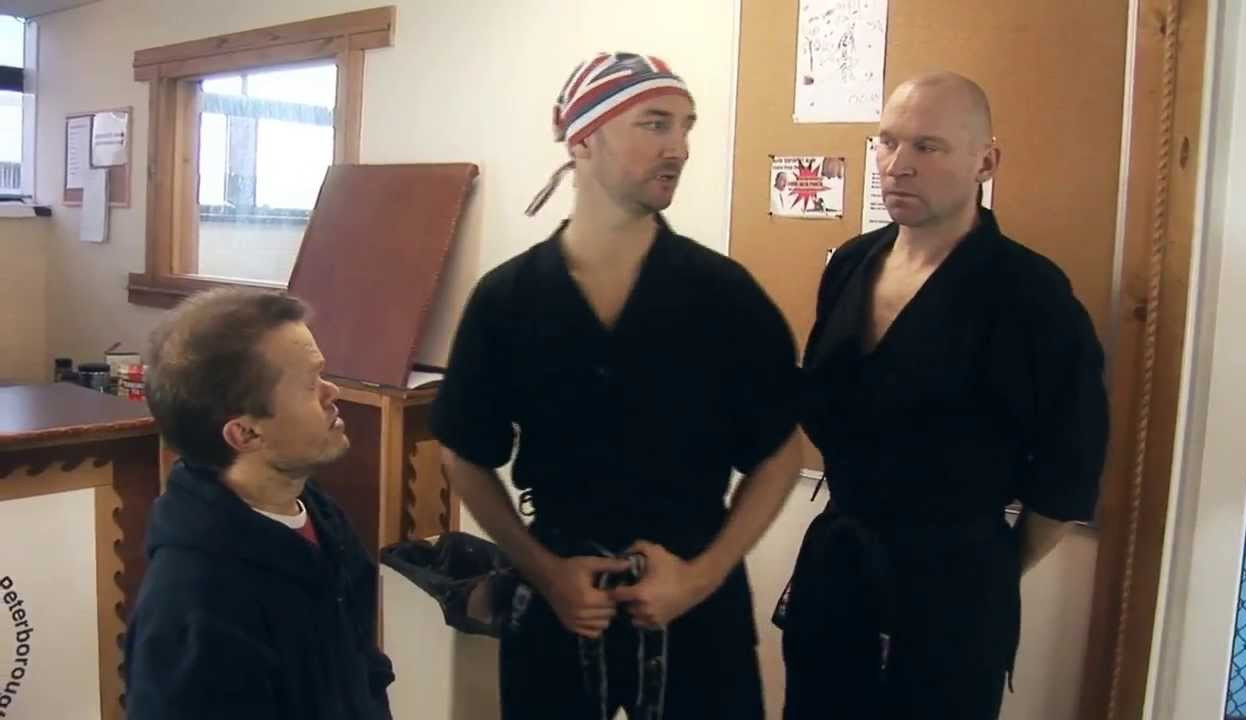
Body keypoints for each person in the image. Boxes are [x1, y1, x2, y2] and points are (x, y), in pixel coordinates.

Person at [431, 51, 801, 719]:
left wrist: (701, 577)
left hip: (695, 599)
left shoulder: (723, 296)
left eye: (686, 127)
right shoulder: (509, 299)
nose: (679, 147)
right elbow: (464, 452)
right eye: (655, 124)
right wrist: (545, 571)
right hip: (560, 598)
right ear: (582, 140)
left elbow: (779, 454)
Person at [780, 71, 1109, 719]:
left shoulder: (1030, 295)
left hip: (956, 588)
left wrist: (985, 570)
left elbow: (1068, 472)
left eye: (927, 146)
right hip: (838, 566)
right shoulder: (851, 263)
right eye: (887, 141)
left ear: (986, 162)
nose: (896, 165)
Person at [124, 288, 394, 720]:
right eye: (311, 384)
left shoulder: (321, 516)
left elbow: (362, 670)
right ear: (245, 433)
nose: (332, 392)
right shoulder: (194, 607)